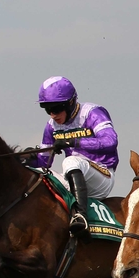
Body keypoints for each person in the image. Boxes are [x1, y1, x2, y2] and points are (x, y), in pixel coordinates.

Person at [25, 76, 119, 241]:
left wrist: (74, 142)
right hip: (75, 179)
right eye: (48, 109)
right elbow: (44, 162)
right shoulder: (51, 127)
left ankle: (80, 216)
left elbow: (110, 141)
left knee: (70, 161)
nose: (53, 115)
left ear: (70, 102)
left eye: (56, 108)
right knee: (38, 174)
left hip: (102, 176)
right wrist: (30, 159)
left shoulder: (92, 113)